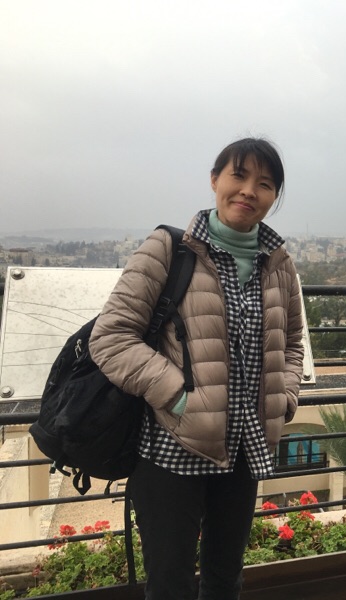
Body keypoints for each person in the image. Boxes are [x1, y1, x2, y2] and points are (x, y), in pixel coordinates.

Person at [89, 137, 305, 600]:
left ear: (273, 196)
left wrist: (285, 397)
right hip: (173, 446)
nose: (249, 191)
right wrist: (178, 396)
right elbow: (111, 337)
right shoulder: (169, 248)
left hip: (244, 449)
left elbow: (292, 343)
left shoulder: (279, 264)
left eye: (265, 184)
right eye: (238, 176)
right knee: (170, 585)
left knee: (225, 580)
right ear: (214, 180)